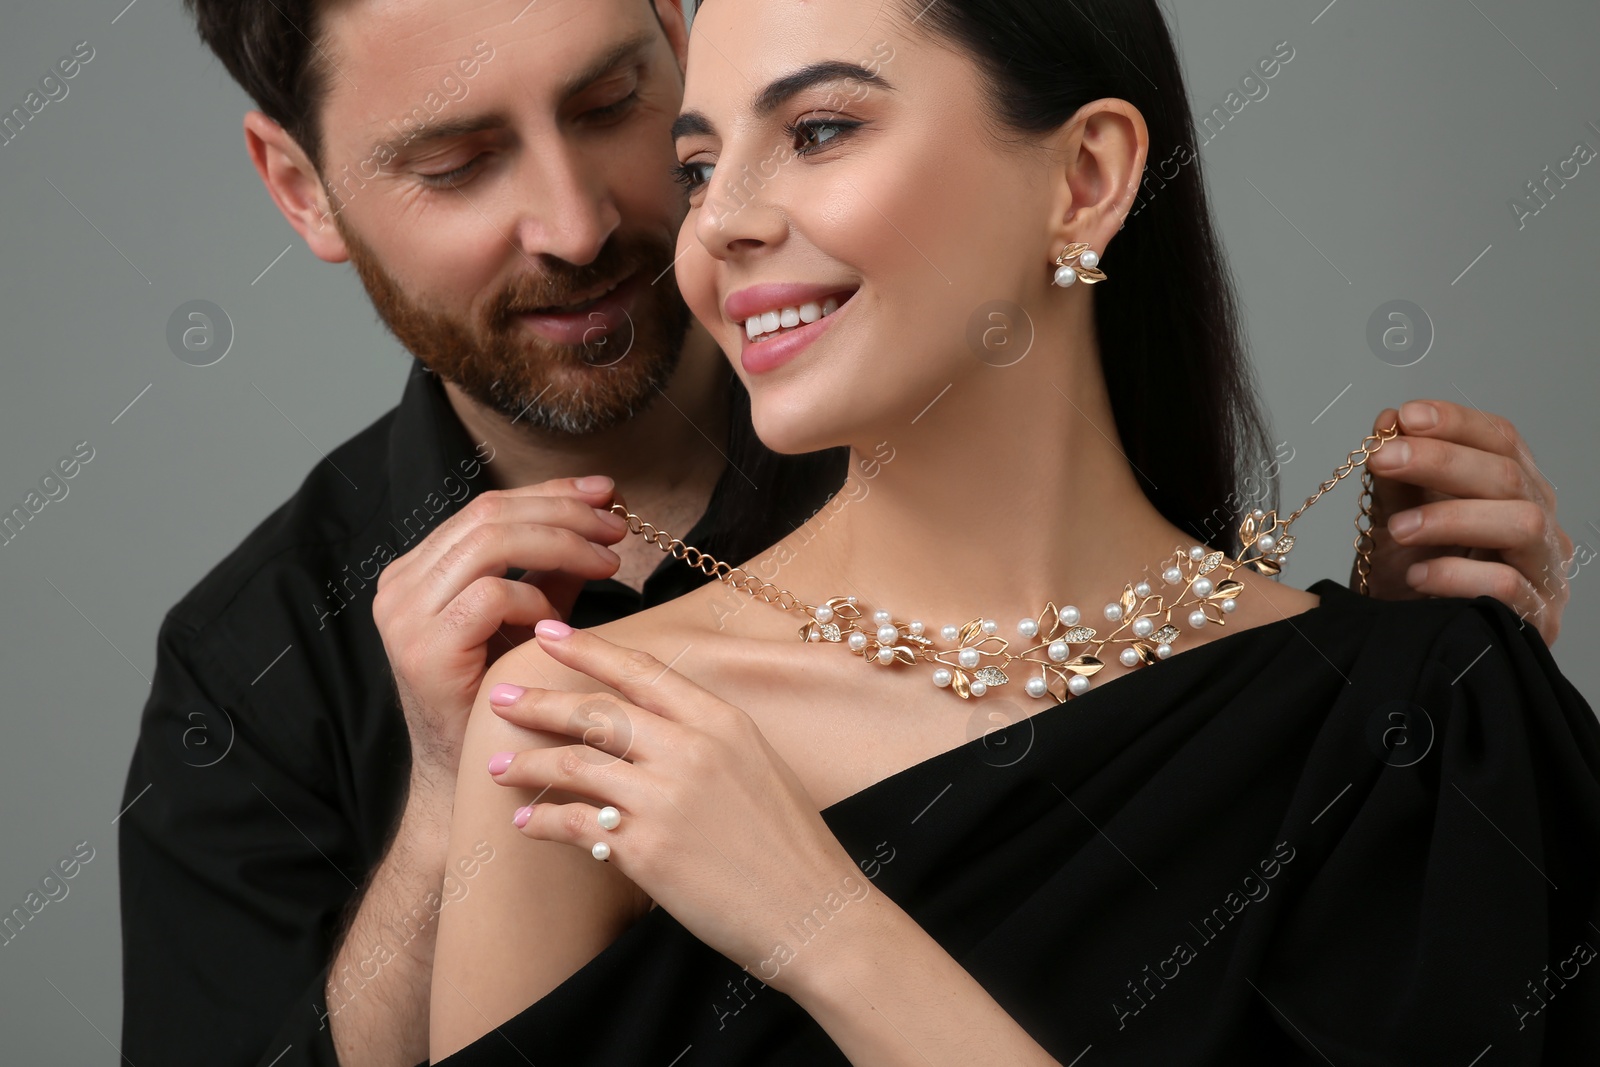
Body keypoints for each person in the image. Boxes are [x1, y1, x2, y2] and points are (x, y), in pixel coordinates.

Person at [117, 0, 1578, 1065]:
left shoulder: (1427, 712)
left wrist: (1388, 705)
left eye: (816, 129)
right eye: (705, 164)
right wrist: (446, 801)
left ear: (1086, 178)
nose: (669, 225)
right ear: (300, 186)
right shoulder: (559, 735)